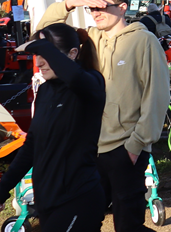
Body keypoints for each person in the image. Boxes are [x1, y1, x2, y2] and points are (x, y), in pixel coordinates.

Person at [37, 0, 169, 232]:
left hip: (125, 148)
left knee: (127, 225)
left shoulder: (144, 40)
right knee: (85, 221)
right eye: (91, 8)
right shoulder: (88, 38)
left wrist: (137, 144)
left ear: (122, 8)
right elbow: (43, 35)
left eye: (102, 7)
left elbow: (157, 95)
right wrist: (70, 3)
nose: (96, 13)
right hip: (89, 149)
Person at [1, 24, 105, 232]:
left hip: (78, 198)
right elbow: (31, 147)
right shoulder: (46, 91)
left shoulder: (92, 83)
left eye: (46, 53)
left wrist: (41, 44)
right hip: (47, 201)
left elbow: (75, 77)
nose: (39, 62)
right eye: (37, 54)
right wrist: (3, 189)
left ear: (73, 53)